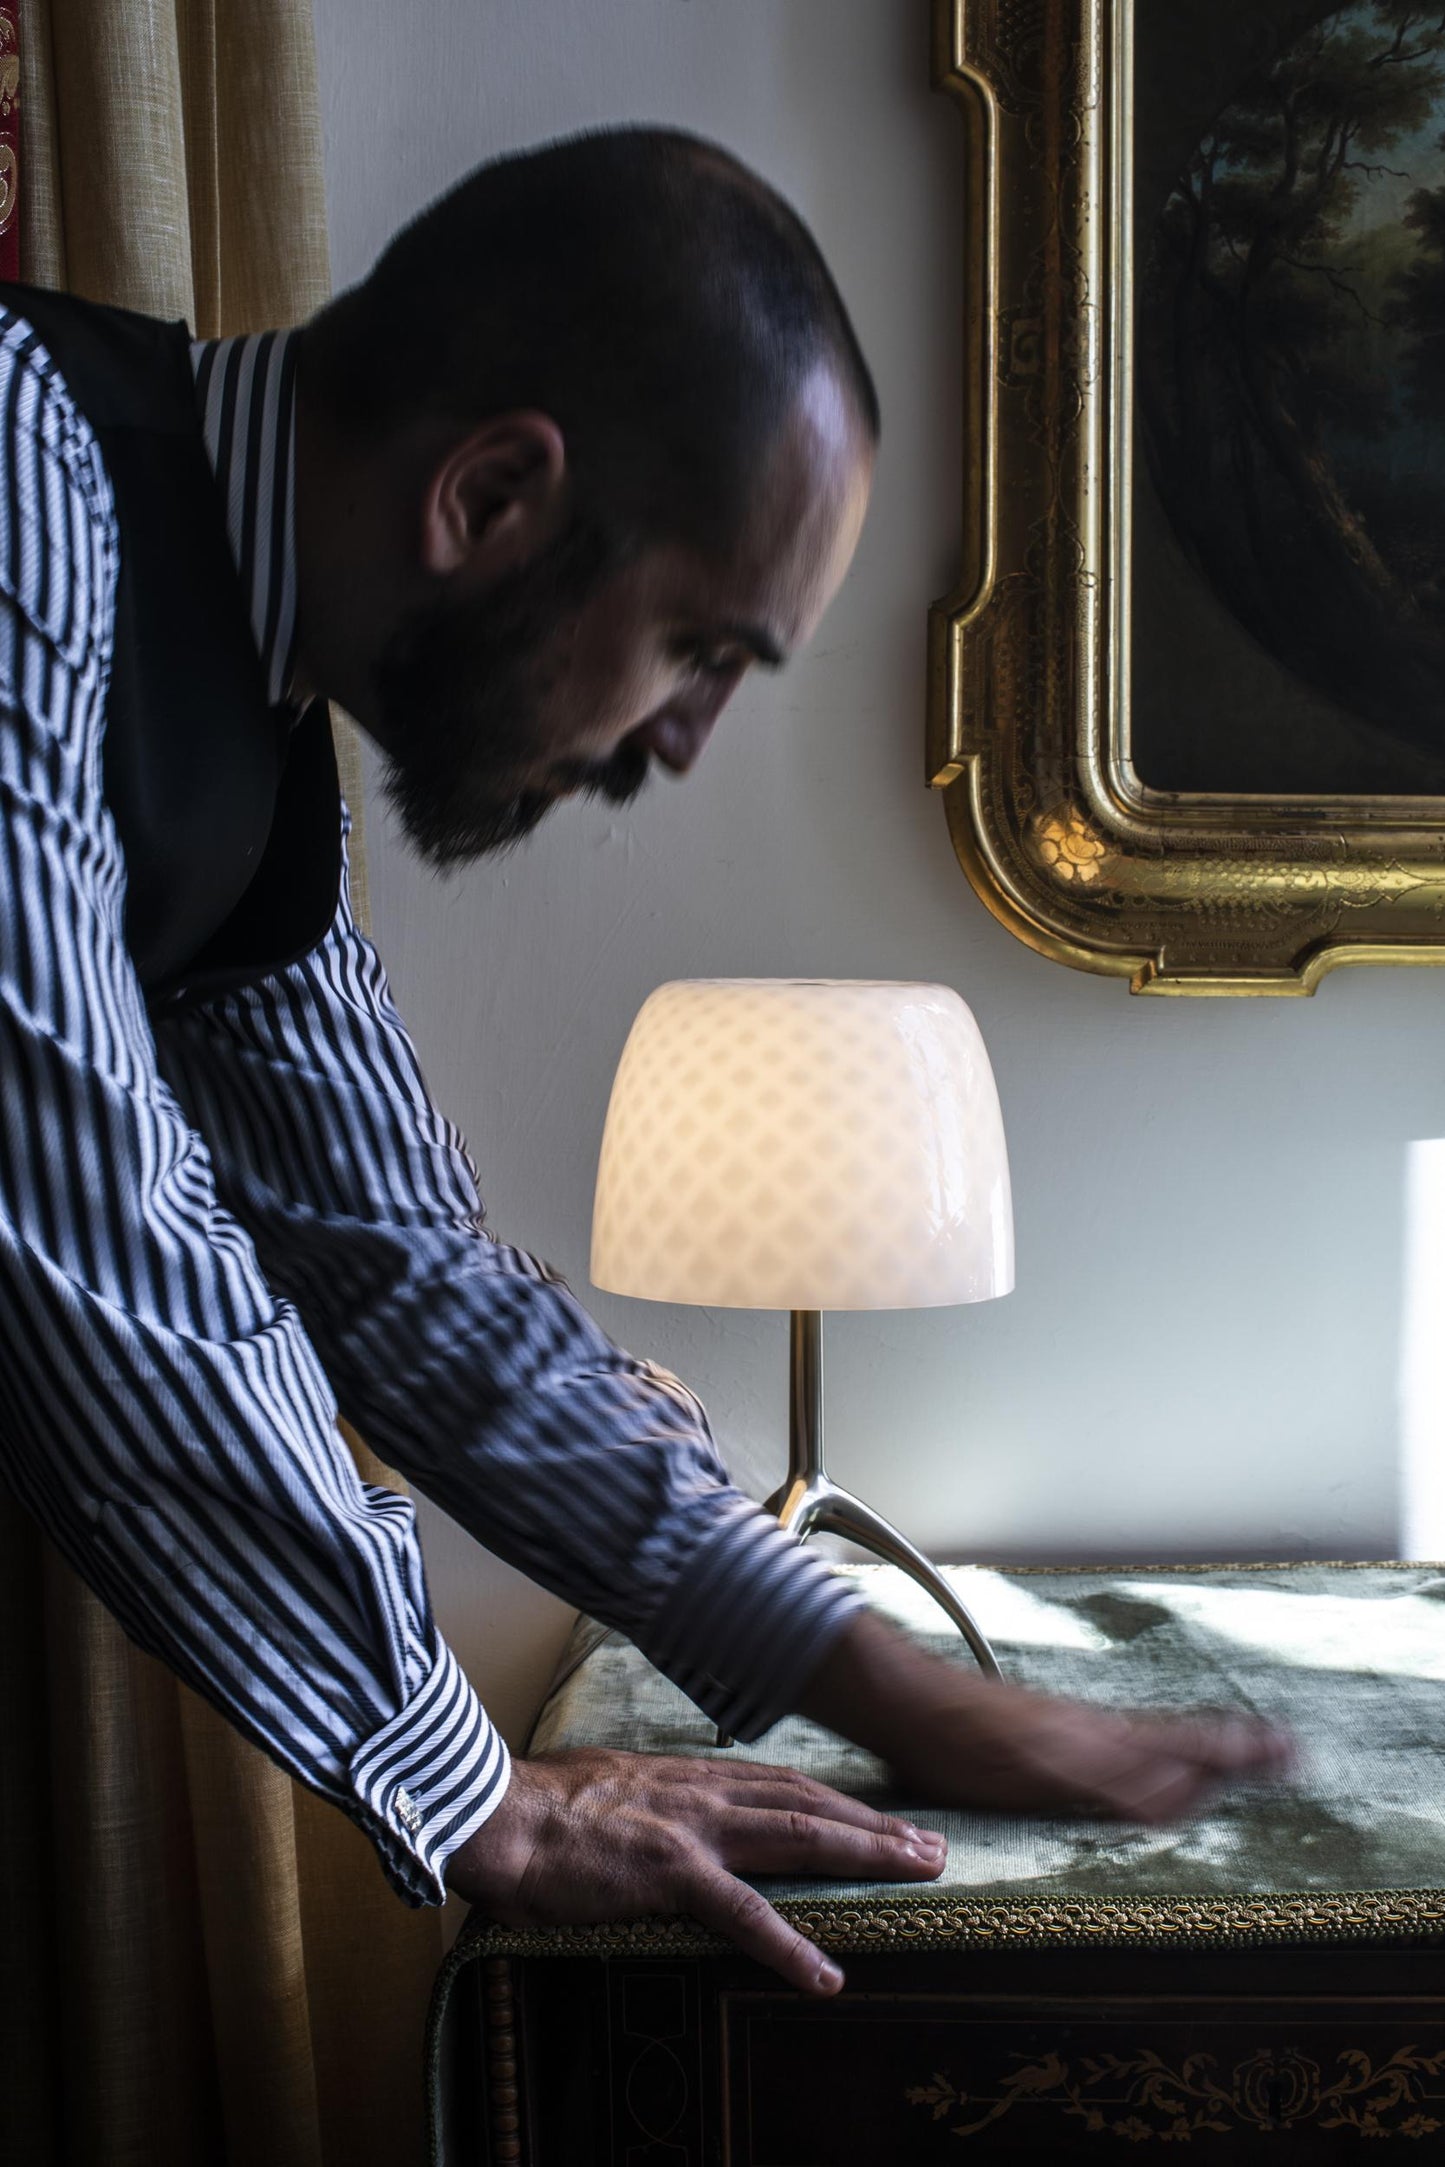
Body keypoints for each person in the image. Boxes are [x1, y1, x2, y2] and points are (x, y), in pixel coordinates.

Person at [0, 127, 1288, 2000]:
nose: (682, 742)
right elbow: (83, 1223)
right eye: (698, 647)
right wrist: (485, 1798)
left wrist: (888, 1686)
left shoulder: (254, 696)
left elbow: (400, 1266)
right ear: (491, 494)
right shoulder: (20, 480)